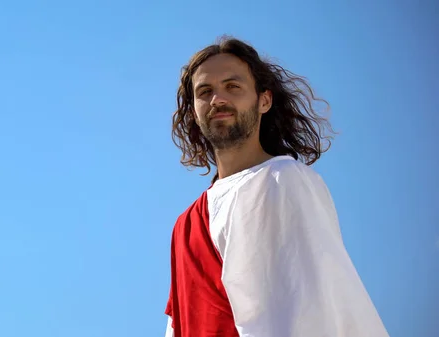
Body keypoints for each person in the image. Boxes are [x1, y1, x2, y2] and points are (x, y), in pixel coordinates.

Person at [164, 36, 389, 337]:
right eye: (205, 92)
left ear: (264, 100)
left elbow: (317, 307)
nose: (218, 99)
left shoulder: (284, 180)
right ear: (194, 111)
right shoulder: (186, 225)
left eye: (233, 86)